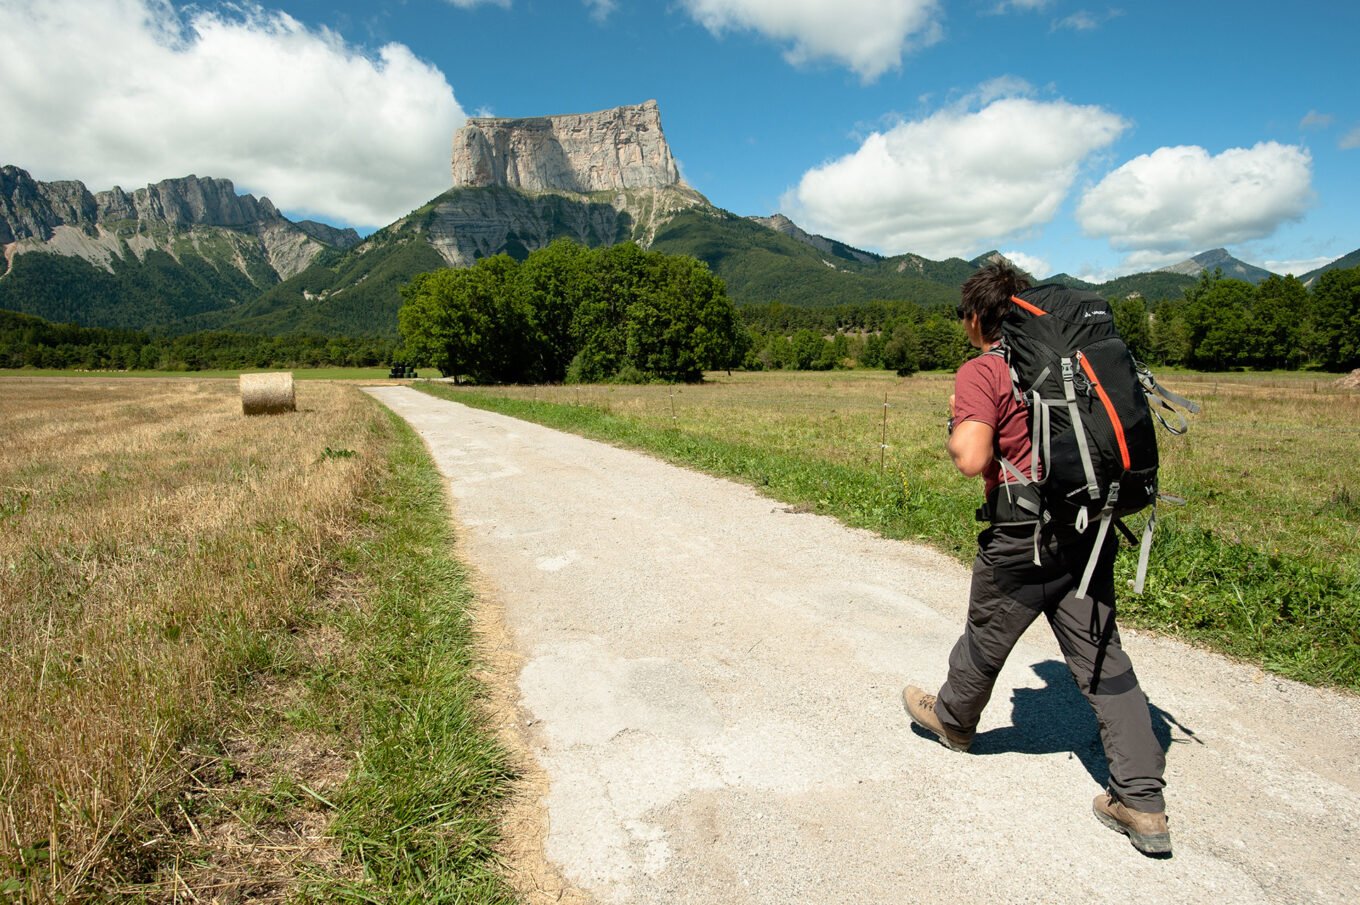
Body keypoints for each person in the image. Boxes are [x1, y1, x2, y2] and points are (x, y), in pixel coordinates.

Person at [901, 262, 1172, 857]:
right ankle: (1143, 801)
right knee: (1101, 654)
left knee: (987, 631)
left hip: (1021, 535)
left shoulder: (983, 370)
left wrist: (957, 419)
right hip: (1085, 527)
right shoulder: (1067, 364)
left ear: (978, 317)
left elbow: (972, 458)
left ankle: (952, 718)